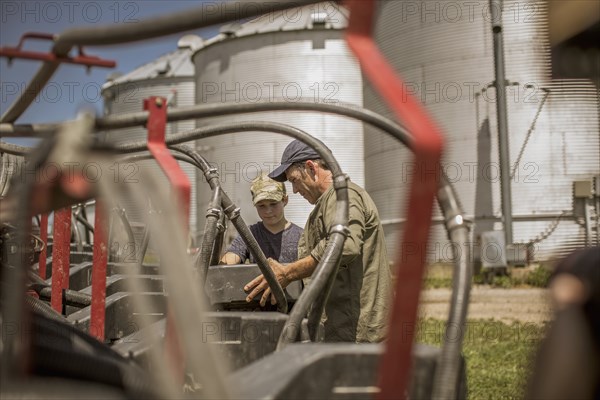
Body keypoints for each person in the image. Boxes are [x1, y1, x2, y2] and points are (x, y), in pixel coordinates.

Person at [244, 140, 393, 342]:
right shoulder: (326, 205)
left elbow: (344, 245)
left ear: (311, 168)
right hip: (342, 330)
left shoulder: (344, 196)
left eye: (294, 180)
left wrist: (288, 272)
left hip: (358, 335)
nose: (295, 190)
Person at [220, 173, 303, 265]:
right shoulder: (250, 235)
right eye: (262, 206)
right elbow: (230, 260)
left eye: (273, 204)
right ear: (254, 205)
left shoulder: (301, 236)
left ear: (285, 200)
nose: (268, 211)